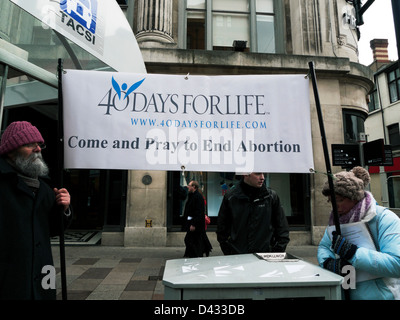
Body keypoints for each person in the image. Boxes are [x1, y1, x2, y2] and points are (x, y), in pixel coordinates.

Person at [0, 121, 72, 300]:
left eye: (39, 144)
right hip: (9, 280)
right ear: (11, 150)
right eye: (29, 144)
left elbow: (54, 229)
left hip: (42, 274)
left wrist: (65, 209)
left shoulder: (45, 188)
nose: (37, 149)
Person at [318, 166, 400, 300]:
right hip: (344, 294)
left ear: (354, 197)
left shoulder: (384, 218)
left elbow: (397, 264)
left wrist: (353, 253)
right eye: (331, 201)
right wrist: (327, 262)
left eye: (339, 200)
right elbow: (324, 247)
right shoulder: (336, 220)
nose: (335, 206)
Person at [217, 172, 290, 255]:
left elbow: (282, 230)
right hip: (238, 257)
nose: (262, 177)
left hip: (265, 257)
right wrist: (230, 252)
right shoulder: (231, 197)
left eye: (263, 174)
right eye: (258, 174)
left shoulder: (271, 197)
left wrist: (274, 253)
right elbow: (222, 230)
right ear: (245, 174)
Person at [183, 180, 212, 257]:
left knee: (190, 239)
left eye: (189, 185)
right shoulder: (192, 195)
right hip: (193, 222)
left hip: (196, 223)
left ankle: (196, 254)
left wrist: (193, 224)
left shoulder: (198, 197)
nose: (187, 187)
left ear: (194, 187)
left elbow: (199, 212)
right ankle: (199, 252)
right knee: (195, 239)